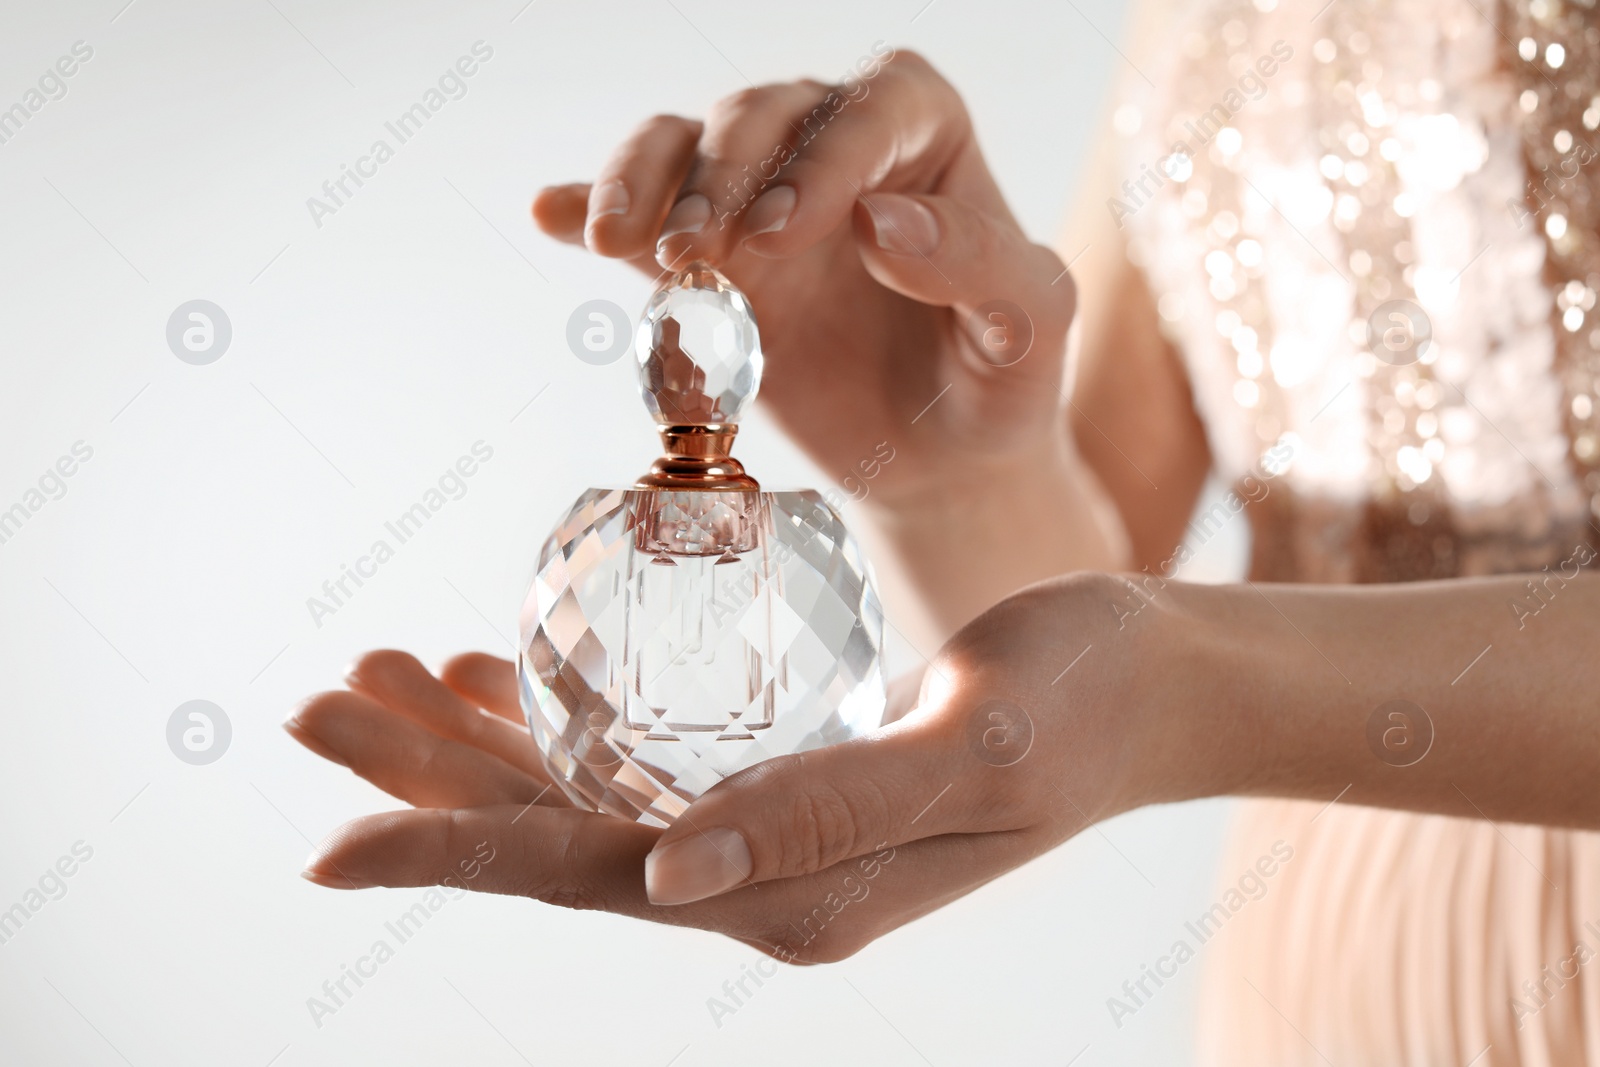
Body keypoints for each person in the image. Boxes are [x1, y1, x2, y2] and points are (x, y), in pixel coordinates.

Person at [285, 4, 1600, 1060]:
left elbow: (1152, 668)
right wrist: (952, 475)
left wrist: (1190, 686)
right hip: (1318, 955)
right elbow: (1076, 613)